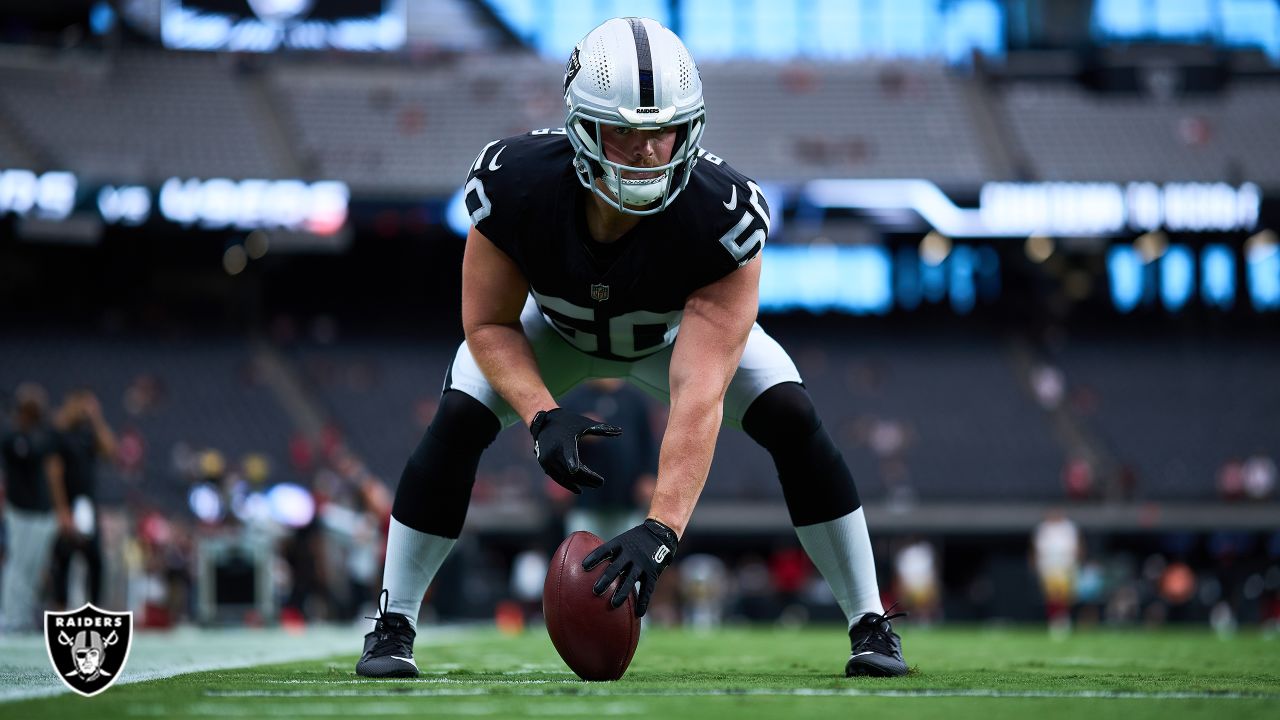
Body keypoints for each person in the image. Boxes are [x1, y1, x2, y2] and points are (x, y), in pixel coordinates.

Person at [357, 17, 907, 679]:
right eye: (623, 132)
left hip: (671, 339)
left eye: (660, 133)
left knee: (792, 416)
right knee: (457, 418)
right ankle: (394, 623)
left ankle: (869, 621)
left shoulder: (722, 214)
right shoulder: (518, 185)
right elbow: (489, 326)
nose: (647, 153)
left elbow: (698, 393)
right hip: (550, 331)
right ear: (582, 128)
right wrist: (539, 413)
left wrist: (661, 529)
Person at [1, 383, 69, 632]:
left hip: (41, 513)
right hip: (21, 513)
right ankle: (10, 616)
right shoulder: (14, 438)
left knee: (34, 568)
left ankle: (24, 615)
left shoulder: (40, 436)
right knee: (17, 565)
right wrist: (56, 426)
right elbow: (34, 452)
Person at [557, 378, 657, 541]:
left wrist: (649, 476)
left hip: (627, 502)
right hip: (586, 504)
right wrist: (577, 433)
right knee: (582, 561)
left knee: (626, 561)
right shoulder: (574, 400)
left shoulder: (634, 399)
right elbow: (557, 446)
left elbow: (648, 443)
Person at [52, 389, 118, 608]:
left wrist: (97, 419)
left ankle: (94, 609)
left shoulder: (89, 434)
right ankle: (60, 609)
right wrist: (62, 510)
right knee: (62, 559)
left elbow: (110, 450)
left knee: (96, 560)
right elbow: (54, 472)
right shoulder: (61, 434)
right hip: (68, 504)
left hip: (87, 505)